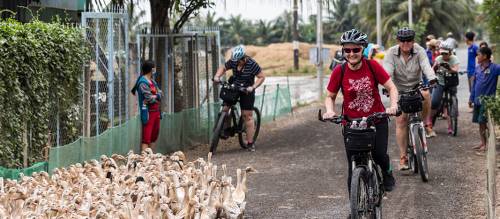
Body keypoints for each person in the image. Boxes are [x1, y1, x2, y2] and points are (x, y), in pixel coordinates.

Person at [323, 29, 399, 192]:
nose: (351, 53)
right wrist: (330, 111)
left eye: (356, 49)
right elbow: (330, 96)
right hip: (351, 125)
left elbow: (391, 87)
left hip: (376, 120)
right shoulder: (339, 71)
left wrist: (393, 106)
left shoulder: (372, 66)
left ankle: (387, 172)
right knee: (352, 168)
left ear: (363, 49)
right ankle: (354, 208)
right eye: (347, 50)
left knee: (379, 155)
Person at [383, 27, 437, 170]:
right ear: (398, 41)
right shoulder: (390, 53)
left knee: (426, 93)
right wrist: (386, 85)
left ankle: (426, 123)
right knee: (401, 121)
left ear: (413, 41)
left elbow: (426, 66)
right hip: (397, 90)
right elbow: (387, 71)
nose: (406, 43)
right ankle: (403, 157)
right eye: (403, 40)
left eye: (409, 40)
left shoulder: (419, 50)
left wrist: (432, 79)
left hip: (416, 87)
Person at [213, 45, 266, 152]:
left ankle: (250, 143)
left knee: (247, 116)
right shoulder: (234, 61)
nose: (236, 62)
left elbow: (261, 77)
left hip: (247, 90)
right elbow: (223, 67)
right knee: (225, 109)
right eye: (235, 60)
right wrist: (217, 76)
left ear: (244, 58)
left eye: (239, 61)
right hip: (234, 86)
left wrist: (253, 87)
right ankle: (225, 129)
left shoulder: (252, 64)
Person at [469, 46, 500, 152]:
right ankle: (483, 143)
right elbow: (474, 85)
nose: (477, 56)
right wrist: (471, 98)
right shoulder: (478, 68)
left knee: (483, 121)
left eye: (479, 54)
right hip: (477, 100)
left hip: (487, 101)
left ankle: (488, 144)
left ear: (485, 56)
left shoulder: (495, 68)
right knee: (480, 122)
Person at [131, 60, 162, 152]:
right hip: (148, 113)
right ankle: (144, 161)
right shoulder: (142, 82)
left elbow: (160, 93)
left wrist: (156, 95)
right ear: (151, 69)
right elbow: (149, 99)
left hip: (156, 112)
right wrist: (157, 96)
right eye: (154, 68)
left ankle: (151, 159)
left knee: (154, 136)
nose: (155, 69)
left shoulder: (152, 81)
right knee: (146, 138)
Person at [431, 41, 460, 135]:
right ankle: (429, 124)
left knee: (451, 103)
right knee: (434, 102)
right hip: (440, 82)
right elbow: (432, 69)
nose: (444, 55)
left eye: (445, 53)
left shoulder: (454, 59)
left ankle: (451, 125)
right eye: (442, 53)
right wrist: (434, 69)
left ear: (450, 52)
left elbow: (456, 69)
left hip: (451, 82)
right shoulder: (438, 59)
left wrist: (449, 68)